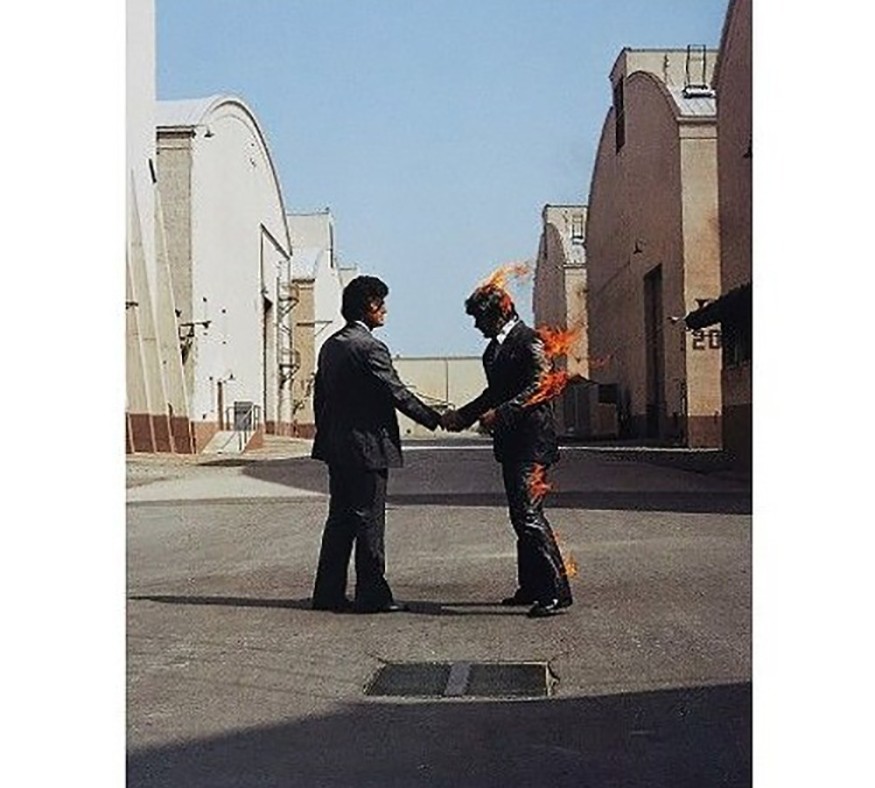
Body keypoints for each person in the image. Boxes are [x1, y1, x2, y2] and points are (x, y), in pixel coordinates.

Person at [310, 275, 442, 614]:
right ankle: (372, 595)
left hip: (338, 447)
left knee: (340, 519)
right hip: (367, 448)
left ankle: (327, 593)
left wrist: (328, 435)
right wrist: (436, 418)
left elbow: (320, 398)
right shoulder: (370, 347)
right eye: (381, 303)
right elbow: (396, 392)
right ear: (369, 306)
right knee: (369, 520)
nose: (385, 310)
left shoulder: (330, 346)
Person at [442, 284, 573, 618]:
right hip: (512, 445)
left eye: (479, 318)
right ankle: (531, 587)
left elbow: (542, 386)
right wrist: (463, 416)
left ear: (499, 313)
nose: (476, 325)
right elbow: (493, 393)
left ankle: (555, 591)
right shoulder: (493, 351)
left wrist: (501, 414)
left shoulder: (530, 341)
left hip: (532, 443)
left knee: (529, 515)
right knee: (520, 516)